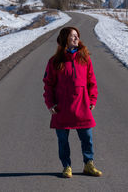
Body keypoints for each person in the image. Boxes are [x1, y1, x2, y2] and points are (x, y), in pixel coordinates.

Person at [43, 26, 102, 178]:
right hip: (62, 108)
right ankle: (66, 166)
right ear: (65, 40)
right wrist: (51, 104)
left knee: (87, 138)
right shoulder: (54, 62)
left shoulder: (85, 59)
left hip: (82, 106)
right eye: (72, 36)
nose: (76, 38)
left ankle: (89, 165)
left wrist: (93, 99)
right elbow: (48, 85)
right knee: (63, 141)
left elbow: (92, 82)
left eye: (77, 36)